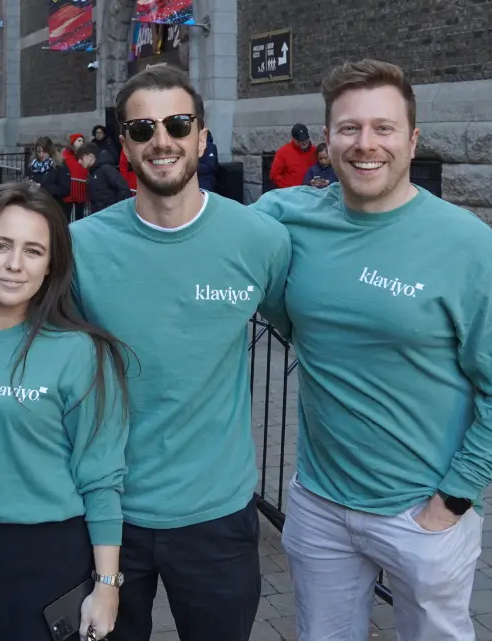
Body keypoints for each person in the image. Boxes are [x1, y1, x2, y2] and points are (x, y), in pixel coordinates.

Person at [252, 58, 492, 641]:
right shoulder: (286, 218)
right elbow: (261, 295)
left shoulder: (471, 248)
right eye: (349, 129)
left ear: (412, 140)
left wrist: (453, 501)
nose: (366, 145)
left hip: (423, 512)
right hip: (319, 502)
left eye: (383, 129)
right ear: (327, 141)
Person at [70, 65, 292, 641]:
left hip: (216, 514)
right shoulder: (81, 248)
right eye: (142, 128)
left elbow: (308, 330)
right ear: (124, 144)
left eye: (177, 123)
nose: (161, 140)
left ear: (202, 135)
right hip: (108, 515)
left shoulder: (257, 240)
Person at [0, 182, 131, 641]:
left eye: (33, 251)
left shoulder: (79, 352)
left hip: (54, 559)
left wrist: (107, 585)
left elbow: (101, 477)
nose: (15, 264)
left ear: (51, 265)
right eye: (1, 245)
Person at [78, 141, 129, 214]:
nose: (79, 162)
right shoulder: (92, 172)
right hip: (99, 215)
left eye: (81, 158)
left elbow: (123, 190)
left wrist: (116, 210)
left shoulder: (107, 169)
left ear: (90, 157)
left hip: (110, 216)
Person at [269, 123, 316, 189]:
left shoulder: (315, 151)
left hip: (311, 192)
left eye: (305, 139)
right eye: (300, 140)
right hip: (291, 194)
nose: (304, 142)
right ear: (293, 139)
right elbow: (274, 175)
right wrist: (289, 188)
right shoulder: (283, 152)